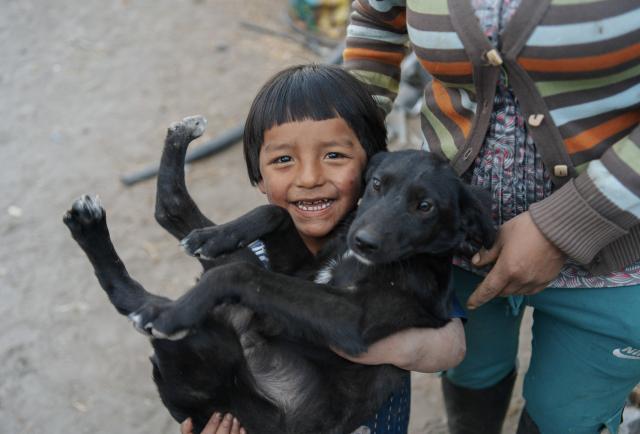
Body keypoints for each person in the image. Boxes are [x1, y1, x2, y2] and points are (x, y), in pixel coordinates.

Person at [343, 0, 640, 433]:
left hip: (616, 258)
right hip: (452, 246)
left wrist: (565, 225)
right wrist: (346, 144)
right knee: (471, 372)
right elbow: (378, 17)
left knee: (567, 416)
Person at [180, 63, 467, 434]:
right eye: (283, 159)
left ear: (372, 169)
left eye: (334, 156)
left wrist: (370, 340)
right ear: (259, 176)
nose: (311, 178)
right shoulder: (250, 260)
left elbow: (452, 346)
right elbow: (208, 362)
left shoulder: (398, 253)